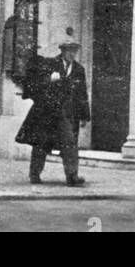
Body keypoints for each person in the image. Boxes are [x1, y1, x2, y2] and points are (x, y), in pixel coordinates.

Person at [15, 29, 90, 186]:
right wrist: (49, 80)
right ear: (62, 51)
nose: (72, 54)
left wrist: (84, 116)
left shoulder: (78, 70)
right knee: (41, 144)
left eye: (74, 51)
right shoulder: (49, 64)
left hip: (67, 115)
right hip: (47, 114)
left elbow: (82, 94)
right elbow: (35, 84)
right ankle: (34, 174)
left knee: (69, 144)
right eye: (69, 50)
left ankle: (72, 177)